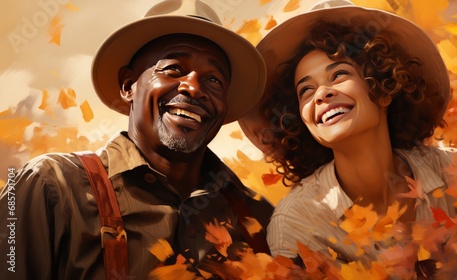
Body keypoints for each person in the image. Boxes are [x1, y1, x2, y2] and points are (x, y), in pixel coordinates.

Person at [0, 0, 273, 279]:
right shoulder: (49, 186)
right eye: (173, 69)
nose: (193, 87)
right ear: (128, 86)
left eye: (214, 80)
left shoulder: (259, 216)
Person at [238, 0, 457, 261]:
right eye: (305, 91)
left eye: (339, 75)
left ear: (384, 88)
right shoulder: (296, 222)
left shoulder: (453, 170)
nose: (321, 94)